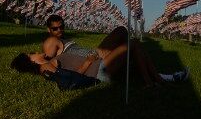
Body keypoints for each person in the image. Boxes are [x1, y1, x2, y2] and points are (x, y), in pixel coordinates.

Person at [11, 25, 189, 88]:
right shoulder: (45, 68)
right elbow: (69, 80)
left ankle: (131, 64)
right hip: (98, 70)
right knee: (133, 44)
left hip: (97, 58)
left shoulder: (49, 59)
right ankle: (153, 81)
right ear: (31, 61)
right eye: (31, 54)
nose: (35, 52)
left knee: (121, 31)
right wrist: (88, 62)